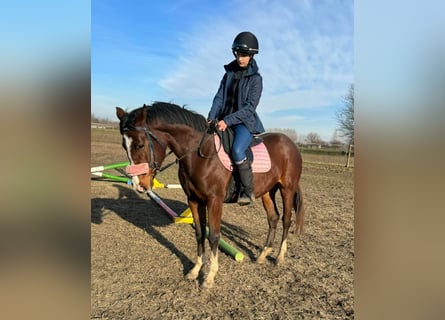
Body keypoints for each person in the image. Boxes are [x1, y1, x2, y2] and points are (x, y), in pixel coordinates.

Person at [208, 31, 265, 205]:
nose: (240, 58)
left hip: (243, 123)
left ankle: (247, 191)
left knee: (237, 150)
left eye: (244, 55)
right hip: (222, 119)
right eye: (238, 54)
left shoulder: (256, 79)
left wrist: (228, 121)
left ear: (252, 55)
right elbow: (219, 97)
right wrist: (211, 118)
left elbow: (249, 108)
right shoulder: (228, 75)